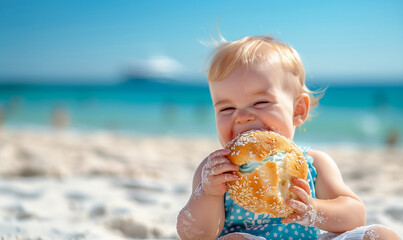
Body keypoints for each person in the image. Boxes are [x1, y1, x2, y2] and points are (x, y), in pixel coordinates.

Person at [176, 36, 401, 240]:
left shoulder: (313, 164)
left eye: (260, 103)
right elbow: (194, 234)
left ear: (298, 110)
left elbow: (355, 215)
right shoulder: (215, 171)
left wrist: (313, 210)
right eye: (226, 108)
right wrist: (207, 193)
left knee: (379, 235)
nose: (242, 117)